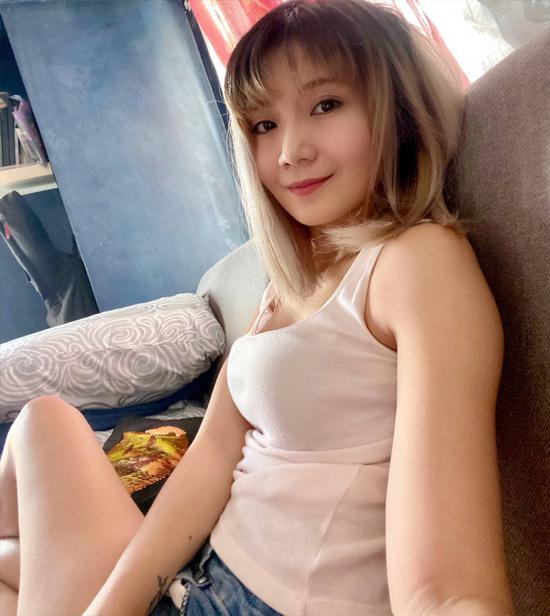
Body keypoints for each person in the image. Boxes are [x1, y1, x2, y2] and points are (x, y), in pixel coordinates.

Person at [0, 1, 516, 615]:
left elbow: (445, 590)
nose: (290, 152)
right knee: (43, 421)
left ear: (399, 111)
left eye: (326, 105)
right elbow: (213, 456)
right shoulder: (293, 275)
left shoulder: (416, 261)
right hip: (195, 580)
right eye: (264, 124)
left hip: (248, 603)